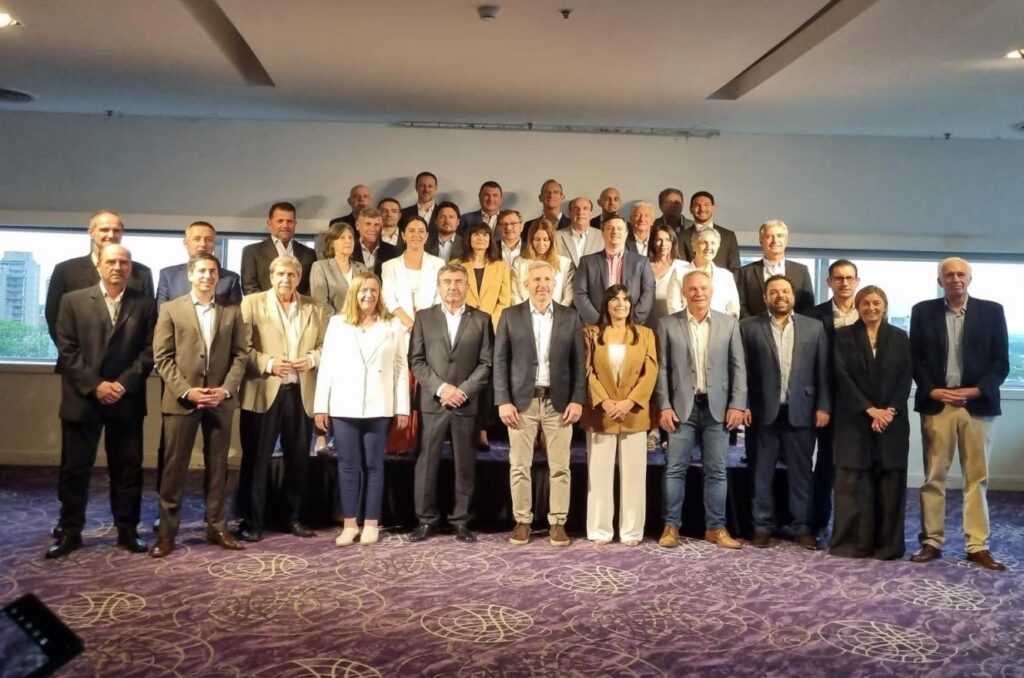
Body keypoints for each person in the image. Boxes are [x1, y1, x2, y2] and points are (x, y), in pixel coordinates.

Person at [46, 245, 156, 559]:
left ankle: (127, 530)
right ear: (100, 266)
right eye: (111, 261)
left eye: (124, 262)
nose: (117, 267)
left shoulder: (145, 304)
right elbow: (67, 349)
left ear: (130, 267)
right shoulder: (73, 301)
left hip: (126, 399)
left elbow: (149, 351)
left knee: (128, 469)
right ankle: (70, 531)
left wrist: (121, 384)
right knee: (75, 470)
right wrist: (96, 385)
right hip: (83, 399)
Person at [909, 257, 1009, 570]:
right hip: (938, 404)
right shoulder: (922, 311)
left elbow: (1000, 362)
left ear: (969, 279)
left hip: (976, 405)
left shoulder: (992, 312)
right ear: (940, 281)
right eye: (949, 274)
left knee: (976, 478)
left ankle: (977, 545)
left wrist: (977, 390)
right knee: (933, 477)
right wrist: (932, 390)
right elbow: (914, 359)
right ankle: (932, 541)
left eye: (960, 274)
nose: (955, 279)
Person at [150, 252, 247, 557]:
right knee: (174, 469)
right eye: (202, 271)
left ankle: (217, 527)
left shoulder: (232, 311)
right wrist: (186, 391)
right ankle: (167, 534)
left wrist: (226, 390)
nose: (208, 276)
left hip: (220, 400)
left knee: (218, 468)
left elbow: (240, 355)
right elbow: (162, 358)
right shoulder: (170, 309)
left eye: (213, 271)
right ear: (190, 275)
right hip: (182, 401)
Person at [314, 272, 410, 546]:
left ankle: (371, 523)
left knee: (374, 465)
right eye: (363, 290)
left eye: (373, 290)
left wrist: (402, 407)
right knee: (347, 465)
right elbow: (327, 366)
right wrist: (321, 406)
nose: (368, 295)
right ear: (354, 293)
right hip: (344, 405)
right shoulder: (337, 323)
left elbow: (400, 368)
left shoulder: (392, 324)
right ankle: (349, 524)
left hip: (379, 405)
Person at [495, 259, 585, 547]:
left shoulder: (570, 317)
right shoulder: (510, 316)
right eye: (536, 280)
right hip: (522, 404)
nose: (542, 285)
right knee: (519, 466)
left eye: (547, 280)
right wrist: (503, 401)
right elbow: (500, 362)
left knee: (561, 467)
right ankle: (522, 521)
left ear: (555, 284)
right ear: (526, 284)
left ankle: (557, 523)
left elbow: (579, 363)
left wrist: (577, 399)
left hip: (559, 404)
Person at [656, 269, 747, 549]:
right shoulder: (667, 324)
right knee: (675, 470)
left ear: (711, 291)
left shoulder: (729, 324)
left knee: (717, 471)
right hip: (681, 409)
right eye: (692, 289)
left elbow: (738, 367)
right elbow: (662, 369)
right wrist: (664, 406)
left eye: (703, 288)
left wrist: (737, 404)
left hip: (718, 409)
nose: (698, 293)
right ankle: (671, 527)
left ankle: (715, 528)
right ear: (684, 293)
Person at [236, 255, 325, 542]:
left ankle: (295, 518)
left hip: (300, 392)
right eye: (280, 274)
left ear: (299, 277)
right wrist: (269, 363)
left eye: (291, 274)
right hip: (263, 391)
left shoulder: (314, 306)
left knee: (298, 460)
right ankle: (252, 521)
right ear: (271, 276)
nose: (286, 279)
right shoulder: (252, 303)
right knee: (256, 460)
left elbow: (325, 345)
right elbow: (242, 348)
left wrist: (312, 359)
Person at [740, 275, 830, 550]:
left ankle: (802, 527)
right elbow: (741, 370)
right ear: (765, 297)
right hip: (761, 413)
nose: (780, 296)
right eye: (774, 292)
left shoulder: (814, 327)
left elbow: (823, 370)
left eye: (785, 291)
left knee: (801, 473)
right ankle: (762, 526)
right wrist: (743, 404)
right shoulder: (748, 327)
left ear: (793, 295)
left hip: (802, 411)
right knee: (761, 473)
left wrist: (823, 406)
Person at [408, 263, 493, 543]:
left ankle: (461, 521)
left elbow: (486, 363)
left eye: (458, 281)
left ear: (467, 286)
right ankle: (425, 520)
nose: (453, 287)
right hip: (434, 402)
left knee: (465, 464)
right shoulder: (423, 317)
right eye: (447, 281)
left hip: (466, 404)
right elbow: (416, 360)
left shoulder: (482, 319)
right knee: (426, 464)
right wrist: (442, 389)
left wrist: (463, 391)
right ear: (438, 286)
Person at [829, 286, 911, 560]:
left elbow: (905, 378)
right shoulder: (843, 336)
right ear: (858, 307)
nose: (871, 308)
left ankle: (887, 546)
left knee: (889, 483)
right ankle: (854, 544)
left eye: (876, 303)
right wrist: (870, 410)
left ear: (884, 306)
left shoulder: (900, 337)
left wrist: (888, 411)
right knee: (855, 483)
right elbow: (842, 377)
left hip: (891, 421)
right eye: (865, 303)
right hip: (854, 420)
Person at [582, 285, 658, 546]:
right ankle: (600, 530)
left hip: (633, 413)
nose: (620, 304)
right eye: (614, 299)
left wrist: (629, 402)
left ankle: (631, 532)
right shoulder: (591, 333)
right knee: (599, 476)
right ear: (606, 304)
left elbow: (650, 372)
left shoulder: (645, 334)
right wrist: (604, 402)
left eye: (625, 299)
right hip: (601, 414)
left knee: (634, 477)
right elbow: (587, 371)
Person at [45, 210, 154, 362]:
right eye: (104, 229)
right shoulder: (65, 270)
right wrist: (76, 363)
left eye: (116, 230)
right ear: (91, 232)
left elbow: (148, 324)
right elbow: (54, 319)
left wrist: (134, 369)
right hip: (79, 367)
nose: (111, 235)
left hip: (128, 368)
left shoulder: (141, 272)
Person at [805, 259, 860, 536]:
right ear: (829, 282)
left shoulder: (869, 312)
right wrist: (821, 404)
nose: (844, 283)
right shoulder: (813, 316)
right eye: (838, 278)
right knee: (825, 463)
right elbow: (810, 364)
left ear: (857, 282)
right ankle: (819, 522)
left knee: (855, 465)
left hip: (860, 404)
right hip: (824, 403)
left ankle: (852, 524)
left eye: (849, 278)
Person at [573, 216, 655, 326]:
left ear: (626, 233)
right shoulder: (587, 262)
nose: (615, 231)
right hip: (597, 327)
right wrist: (599, 322)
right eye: (610, 228)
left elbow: (648, 293)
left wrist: (629, 322)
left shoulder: (642, 262)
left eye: (619, 228)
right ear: (602, 233)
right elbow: (579, 293)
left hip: (632, 327)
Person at [381, 216, 445, 334]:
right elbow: (388, 299)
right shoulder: (389, 266)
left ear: (426, 236)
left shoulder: (439, 264)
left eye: (421, 231)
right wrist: (411, 324)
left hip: (430, 327)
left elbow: (440, 297)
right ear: (403, 235)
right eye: (411, 231)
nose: (416, 235)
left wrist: (423, 325)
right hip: (398, 327)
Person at [737, 219, 814, 317]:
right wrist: (754, 324)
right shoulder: (745, 272)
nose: (775, 241)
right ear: (761, 241)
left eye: (780, 236)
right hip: (754, 325)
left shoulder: (801, 271)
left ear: (786, 240)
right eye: (769, 236)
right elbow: (740, 304)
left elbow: (808, 306)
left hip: (794, 326)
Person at [156, 221, 242, 306]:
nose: (203, 244)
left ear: (214, 244)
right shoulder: (168, 275)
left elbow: (235, 312)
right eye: (197, 239)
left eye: (209, 240)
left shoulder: (231, 279)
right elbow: (162, 311)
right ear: (185, 243)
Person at [240, 201, 317, 295]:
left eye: (289, 221)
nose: (285, 225)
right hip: (264, 304)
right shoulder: (252, 252)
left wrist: (297, 303)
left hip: (300, 304)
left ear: (295, 224)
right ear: (269, 224)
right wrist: (274, 303)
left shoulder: (309, 254)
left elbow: (313, 287)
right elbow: (249, 288)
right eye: (280, 221)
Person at [668, 228, 740, 318]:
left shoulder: (726, 276)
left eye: (713, 243)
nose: (709, 247)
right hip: (686, 325)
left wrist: (722, 324)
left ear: (718, 247)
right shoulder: (679, 273)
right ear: (694, 247)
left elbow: (734, 308)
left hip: (720, 325)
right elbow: (674, 308)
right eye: (703, 243)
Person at [511, 219, 574, 306]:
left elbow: (568, 297)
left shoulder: (565, 263)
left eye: (545, 239)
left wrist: (558, 312)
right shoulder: (519, 262)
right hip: (524, 312)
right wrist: (524, 312)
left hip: (557, 312)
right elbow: (514, 294)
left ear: (551, 241)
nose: (541, 244)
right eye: (537, 239)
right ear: (531, 240)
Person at [309, 222, 369, 314]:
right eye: (342, 237)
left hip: (361, 320)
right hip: (333, 321)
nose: (348, 241)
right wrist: (342, 319)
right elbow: (320, 303)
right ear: (332, 243)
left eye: (350, 237)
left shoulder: (361, 267)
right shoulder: (320, 267)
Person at [678, 191, 740, 273]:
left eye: (706, 205)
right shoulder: (681, 237)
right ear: (691, 209)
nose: (702, 209)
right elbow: (681, 268)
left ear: (713, 208)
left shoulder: (728, 236)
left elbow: (735, 269)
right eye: (697, 205)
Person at [324, 184, 373, 258]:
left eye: (365, 196)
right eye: (356, 196)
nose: (361, 199)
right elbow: (332, 251)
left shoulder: (379, 224)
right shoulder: (337, 223)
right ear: (349, 201)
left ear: (371, 201)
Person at [554, 196, 603, 267]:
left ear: (591, 214)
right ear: (569, 213)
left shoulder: (602, 236)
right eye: (576, 208)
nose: (580, 212)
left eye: (585, 208)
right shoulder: (556, 236)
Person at [350, 207, 400, 277]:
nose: (372, 229)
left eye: (376, 225)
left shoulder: (393, 252)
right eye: (368, 224)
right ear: (357, 225)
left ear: (382, 226)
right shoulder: (348, 250)